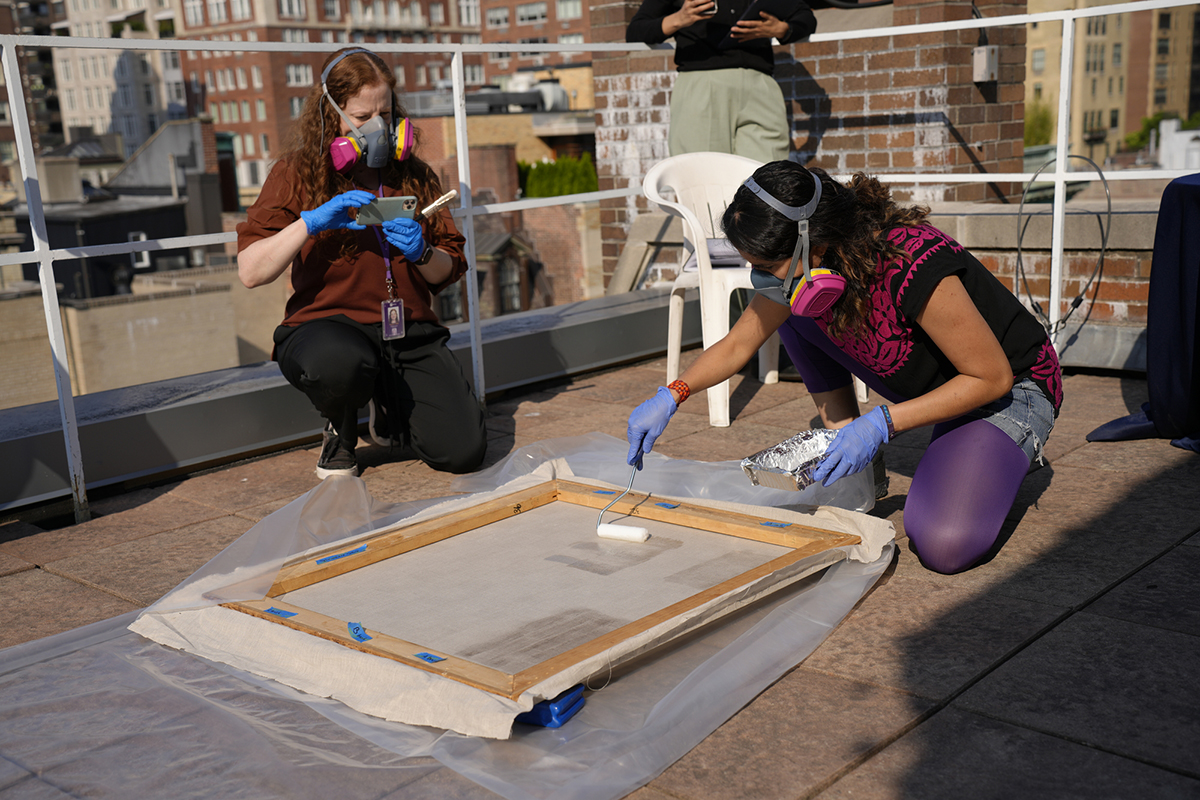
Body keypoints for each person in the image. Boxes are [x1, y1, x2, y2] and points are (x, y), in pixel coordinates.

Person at [626, 161, 1063, 574]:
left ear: (810, 241)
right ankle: (847, 445)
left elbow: (991, 377)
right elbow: (740, 342)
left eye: (763, 266)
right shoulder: (806, 270)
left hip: (1009, 391)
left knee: (944, 543)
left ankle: (1004, 448)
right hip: (942, 391)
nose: (756, 277)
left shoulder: (912, 259)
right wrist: (673, 394)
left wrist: (880, 424)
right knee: (793, 311)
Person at [237, 47, 486, 479]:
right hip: (329, 328)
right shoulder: (295, 173)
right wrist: (310, 223)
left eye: (385, 114)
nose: (377, 127)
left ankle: (388, 406)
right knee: (338, 364)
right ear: (330, 113)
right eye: (360, 115)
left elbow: (450, 268)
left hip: (407, 328)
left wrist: (421, 253)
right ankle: (340, 425)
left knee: (463, 453)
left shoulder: (415, 175)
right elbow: (251, 271)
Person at [626, 0, 816, 162]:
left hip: (760, 84)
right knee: (705, 177)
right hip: (702, 84)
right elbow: (635, 31)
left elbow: (805, 16)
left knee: (767, 177)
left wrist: (782, 29)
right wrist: (679, 19)